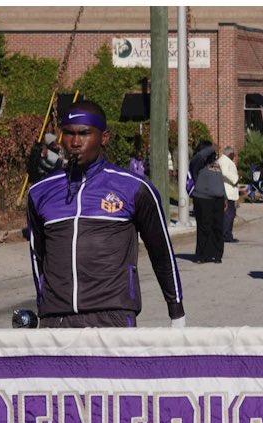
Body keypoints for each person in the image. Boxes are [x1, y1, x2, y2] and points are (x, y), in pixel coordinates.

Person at [26, 100, 185, 327]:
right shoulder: (40, 192)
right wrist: (44, 305)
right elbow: (37, 256)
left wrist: (176, 311)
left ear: (105, 137)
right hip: (56, 318)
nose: (75, 142)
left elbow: (161, 252)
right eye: (68, 133)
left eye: (84, 133)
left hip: (112, 315)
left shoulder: (134, 188)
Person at [189, 139, 226, 264]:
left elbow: (220, 180)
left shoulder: (215, 163)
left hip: (218, 199)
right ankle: (202, 255)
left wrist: (224, 197)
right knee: (205, 227)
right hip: (203, 198)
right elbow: (199, 156)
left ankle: (217, 254)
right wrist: (211, 148)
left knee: (218, 227)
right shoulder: (198, 163)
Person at [219, 145, 240, 243]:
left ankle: (227, 234)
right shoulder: (224, 161)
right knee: (228, 215)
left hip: (229, 192)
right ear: (230, 154)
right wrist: (235, 179)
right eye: (233, 155)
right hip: (228, 192)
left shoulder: (224, 160)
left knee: (229, 215)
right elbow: (224, 172)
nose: (234, 157)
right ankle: (226, 235)